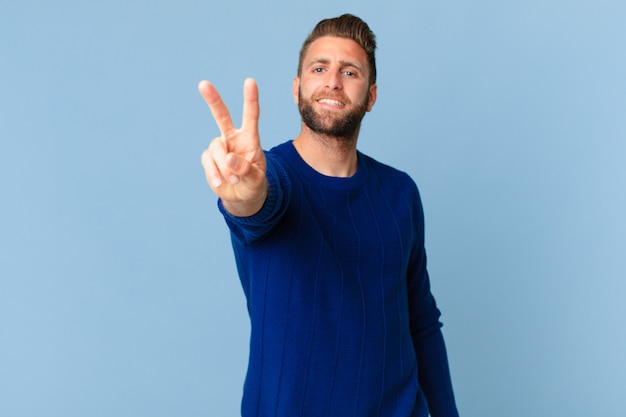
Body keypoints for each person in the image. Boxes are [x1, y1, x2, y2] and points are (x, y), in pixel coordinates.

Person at [198, 14, 459, 417]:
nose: (333, 81)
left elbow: (421, 324)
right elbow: (255, 209)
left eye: (349, 71)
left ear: (371, 97)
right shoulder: (271, 176)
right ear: (297, 87)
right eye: (319, 68)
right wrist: (244, 196)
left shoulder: (401, 193)